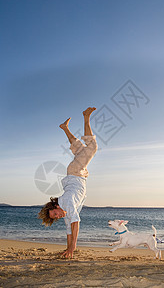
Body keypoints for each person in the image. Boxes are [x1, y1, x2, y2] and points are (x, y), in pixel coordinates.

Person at [38, 107, 98, 258]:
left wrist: (73, 248)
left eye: (55, 213)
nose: (58, 216)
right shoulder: (65, 212)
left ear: (56, 206)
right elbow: (69, 232)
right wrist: (68, 248)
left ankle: (86, 117)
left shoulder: (67, 203)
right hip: (78, 174)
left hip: (76, 172)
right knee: (79, 149)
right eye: (55, 217)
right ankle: (64, 127)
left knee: (92, 147)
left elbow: (76, 224)